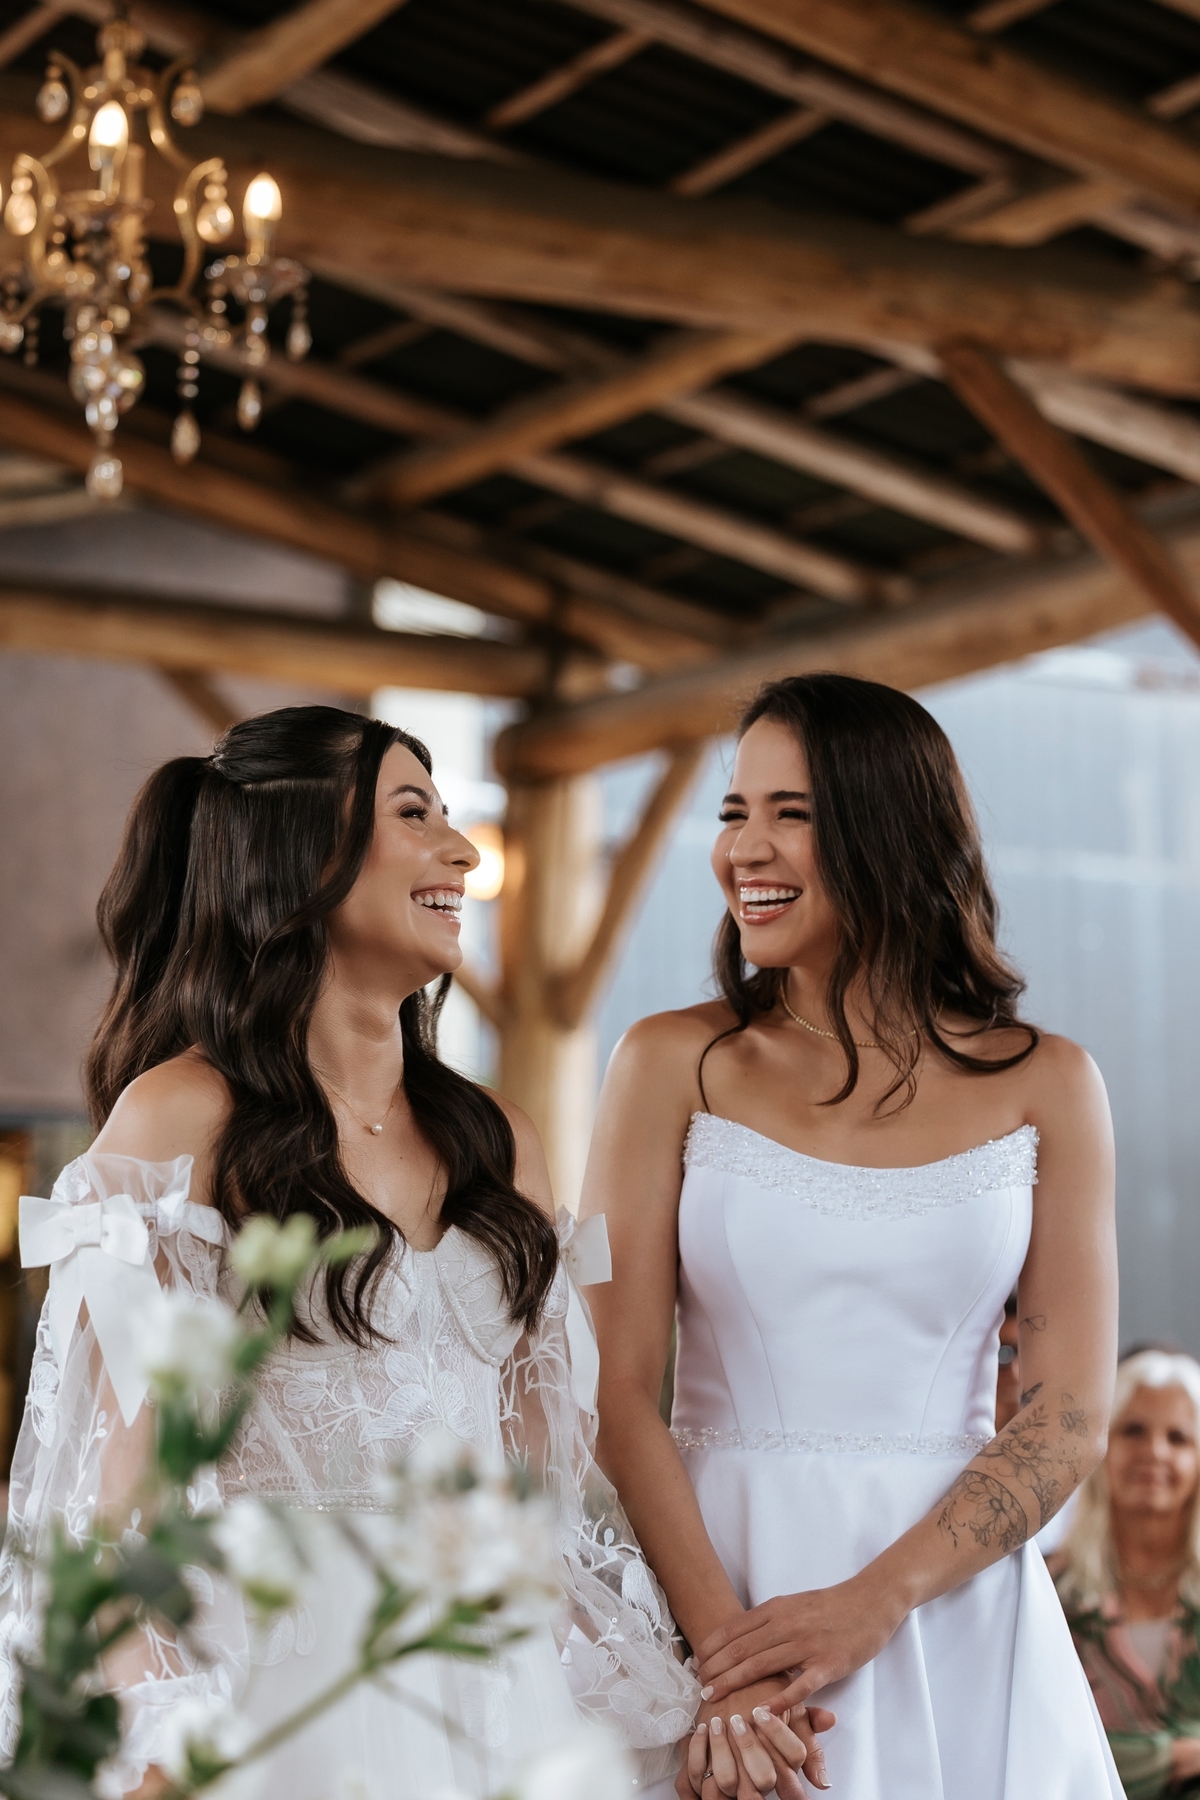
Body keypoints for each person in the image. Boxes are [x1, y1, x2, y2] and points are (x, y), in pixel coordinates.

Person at [0, 708, 809, 1800]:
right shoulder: (175, 1120)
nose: (463, 852)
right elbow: (111, 1521)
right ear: (302, 853)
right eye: (414, 813)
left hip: (499, 1700)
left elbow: (538, 1513)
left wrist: (684, 1695)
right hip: (283, 1712)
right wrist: (161, 1752)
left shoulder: (499, 1140)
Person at [579, 672, 1122, 1800]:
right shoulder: (667, 1063)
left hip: (955, 1608)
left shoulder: (1052, 1085)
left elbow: (1067, 1416)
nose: (744, 850)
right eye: (734, 812)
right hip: (718, 1588)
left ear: (891, 831)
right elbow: (614, 1389)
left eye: (792, 813)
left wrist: (880, 1600)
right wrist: (726, 1664)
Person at [1055, 1348, 1200, 1799]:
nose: (1154, 1452)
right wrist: (1176, 1757)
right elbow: (1042, 1744)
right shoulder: (1045, 1590)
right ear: (1100, 1446)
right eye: (1133, 1430)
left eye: (1178, 1438)